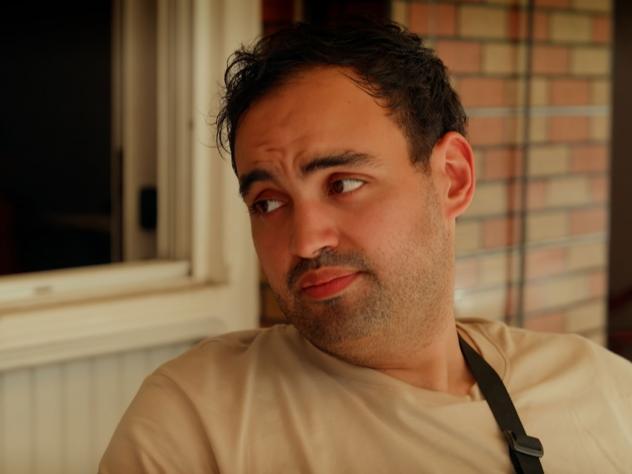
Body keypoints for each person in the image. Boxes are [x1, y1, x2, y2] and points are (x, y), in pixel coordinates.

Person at [99, 19, 632, 473]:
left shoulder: (600, 387)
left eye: (343, 183)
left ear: (452, 178)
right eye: (268, 202)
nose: (305, 241)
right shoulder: (197, 422)